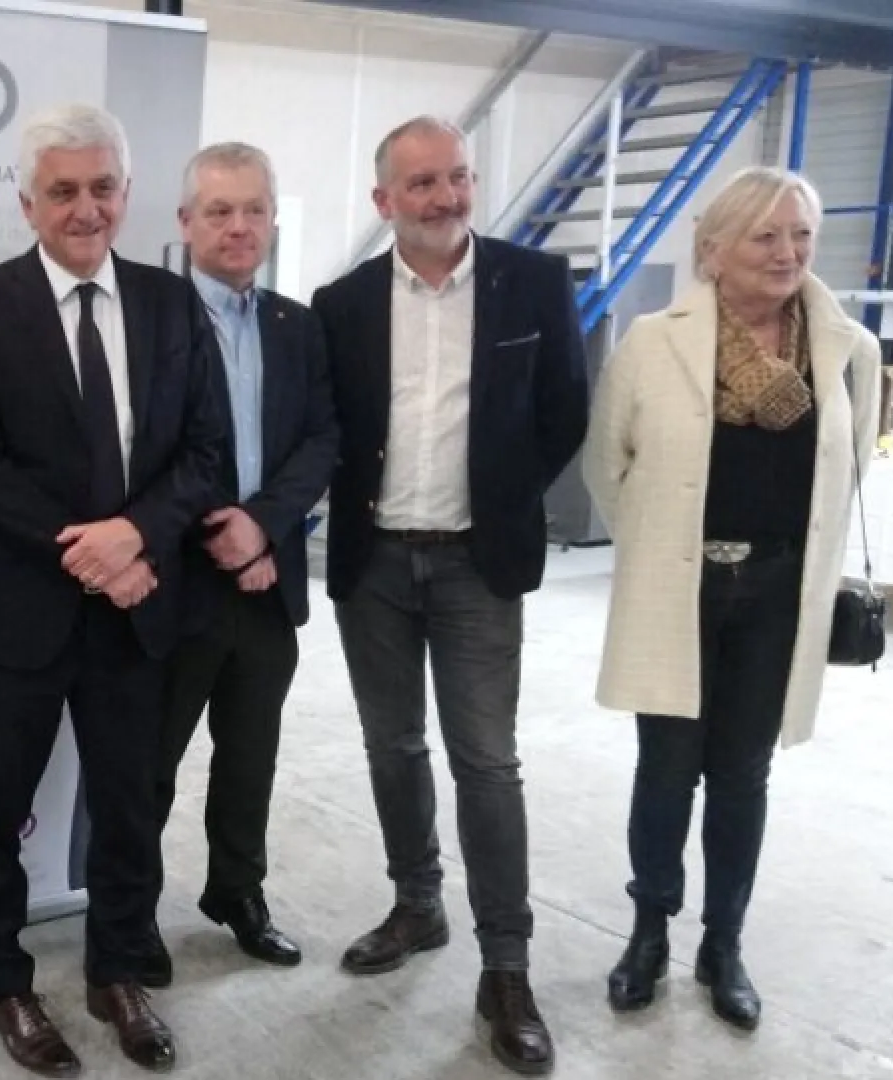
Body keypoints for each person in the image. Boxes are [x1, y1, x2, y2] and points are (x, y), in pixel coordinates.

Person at [0, 102, 231, 1077]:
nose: (85, 207)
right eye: (63, 190)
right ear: (27, 202)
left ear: (127, 193)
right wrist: (94, 550)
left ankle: (117, 973)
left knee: (129, 807)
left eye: (102, 187)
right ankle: (4, 984)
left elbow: (205, 451)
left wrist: (136, 537)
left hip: (138, 611)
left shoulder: (170, 303)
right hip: (21, 612)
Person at [309, 115, 587, 1076]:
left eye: (458, 176)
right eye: (423, 182)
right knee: (392, 746)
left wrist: (503, 499)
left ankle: (506, 968)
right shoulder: (342, 303)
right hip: (376, 563)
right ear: (384, 199)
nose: (446, 197)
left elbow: (564, 411)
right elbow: (330, 428)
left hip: (478, 562)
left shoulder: (533, 282)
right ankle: (417, 904)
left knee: (487, 764)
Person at [582, 166, 879, 1032]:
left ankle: (724, 943)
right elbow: (608, 463)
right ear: (714, 250)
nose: (787, 252)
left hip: (779, 593)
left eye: (802, 235)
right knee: (667, 768)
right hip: (678, 586)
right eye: (766, 235)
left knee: (744, 773)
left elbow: (850, 466)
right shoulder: (654, 342)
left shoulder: (847, 350)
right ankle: (649, 932)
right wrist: (660, 546)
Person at [150, 141, 338, 972]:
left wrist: (262, 528)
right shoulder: (151, 320)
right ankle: (127, 910)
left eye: (253, 209)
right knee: (150, 763)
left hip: (268, 584)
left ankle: (237, 889)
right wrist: (224, 540)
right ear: (186, 221)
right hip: (176, 584)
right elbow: (145, 455)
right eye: (219, 211)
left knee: (250, 757)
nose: (238, 226)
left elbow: (322, 438)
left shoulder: (298, 325)